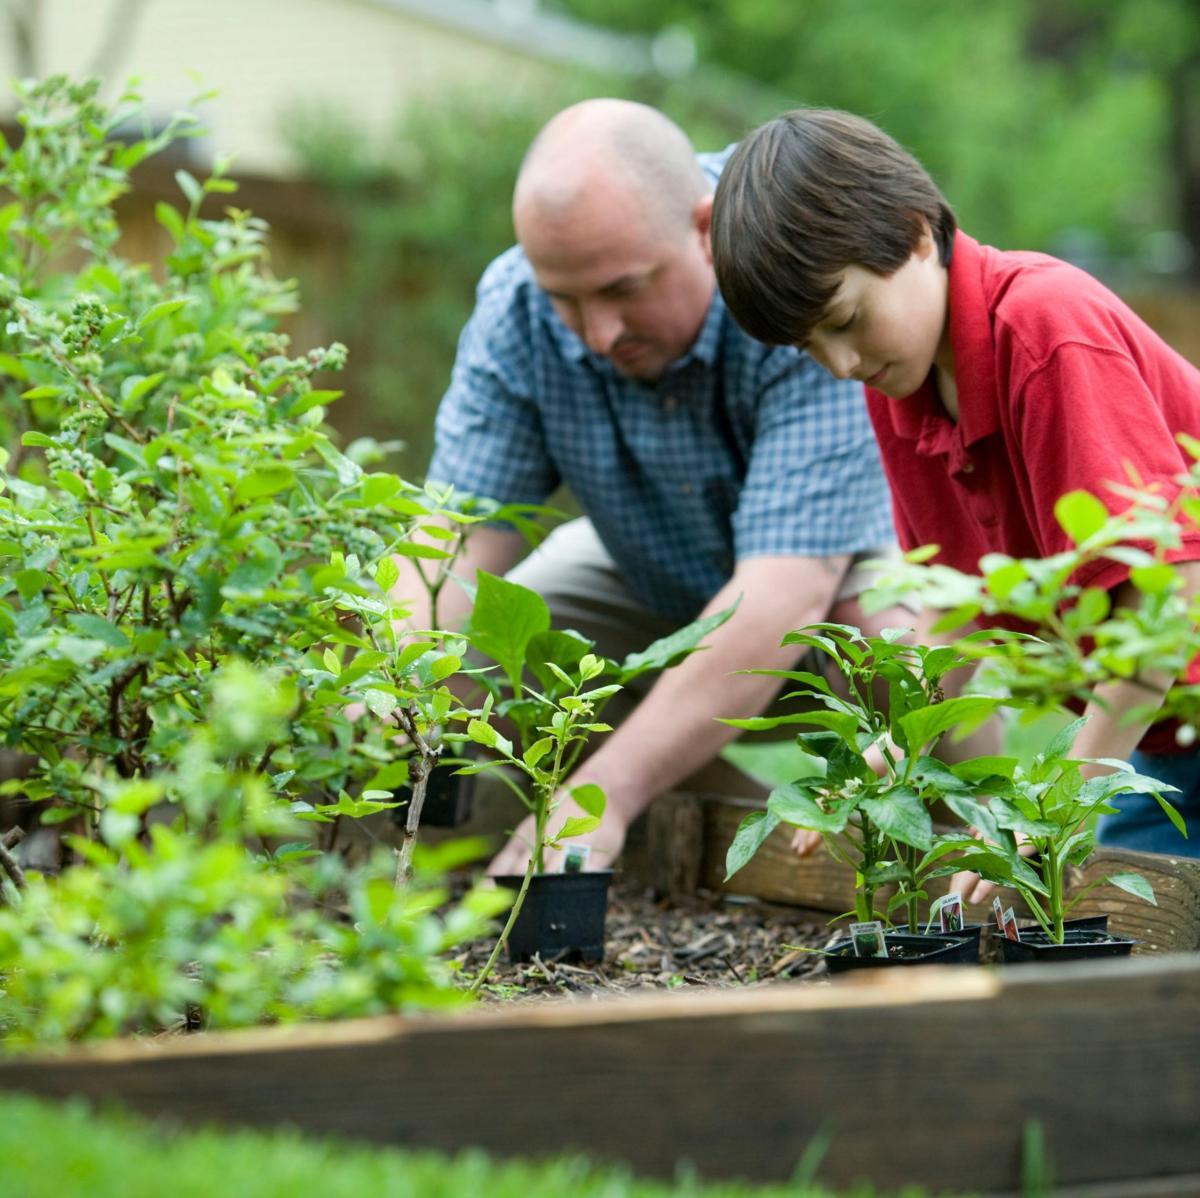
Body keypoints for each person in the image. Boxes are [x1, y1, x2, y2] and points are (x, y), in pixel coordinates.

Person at [413, 99, 902, 876]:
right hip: (648, 571)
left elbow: (784, 595)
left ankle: (949, 859)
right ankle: (715, 833)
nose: (598, 333)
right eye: (566, 299)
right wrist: (391, 681)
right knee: (493, 644)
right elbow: (454, 540)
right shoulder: (516, 307)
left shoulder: (790, 269)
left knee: (899, 650)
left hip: (835, 572)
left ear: (705, 229)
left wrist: (601, 795)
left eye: (623, 290)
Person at [708, 107, 1200, 873]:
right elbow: (955, 606)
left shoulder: (1043, 329)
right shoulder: (898, 387)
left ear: (915, 233)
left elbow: (1169, 596)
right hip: (1167, 739)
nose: (840, 363)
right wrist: (886, 755)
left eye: (845, 319)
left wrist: (1056, 810)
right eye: (809, 347)